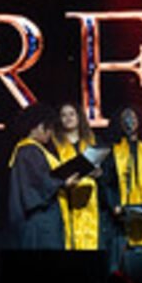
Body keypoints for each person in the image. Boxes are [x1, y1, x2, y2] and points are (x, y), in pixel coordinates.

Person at [6, 103, 79, 250]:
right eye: (49, 128)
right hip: (40, 223)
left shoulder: (32, 150)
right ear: (39, 127)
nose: (50, 133)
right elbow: (40, 183)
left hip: (41, 220)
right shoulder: (28, 151)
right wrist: (63, 182)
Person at [100, 105, 142, 268]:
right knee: (122, 260)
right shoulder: (112, 151)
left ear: (141, 121)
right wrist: (113, 204)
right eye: (125, 119)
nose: (129, 122)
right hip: (122, 215)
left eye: (133, 118)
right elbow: (107, 181)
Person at [53, 102, 105, 251]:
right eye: (63, 115)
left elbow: (106, 172)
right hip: (65, 198)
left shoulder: (94, 141)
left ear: (79, 117)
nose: (68, 118)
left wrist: (100, 173)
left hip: (91, 199)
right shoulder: (54, 145)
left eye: (72, 114)